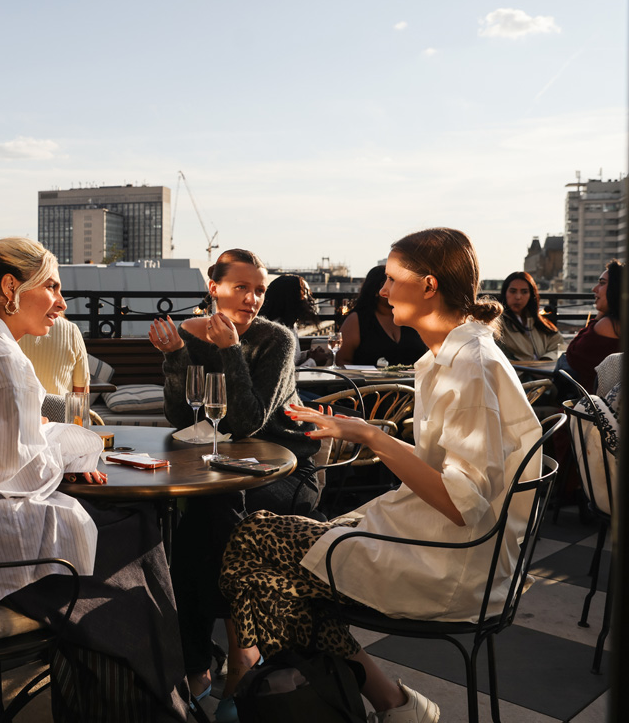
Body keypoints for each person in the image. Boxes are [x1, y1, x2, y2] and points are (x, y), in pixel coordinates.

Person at [214, 228, 542, 723]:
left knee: (255, 542)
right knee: (268, 563)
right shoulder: (452, 356)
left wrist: (373, 437)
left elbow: (461, 503)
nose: (382, 291)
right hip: (445, 545)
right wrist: (361, 431)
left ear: (429, 286)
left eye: (391, 279)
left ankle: (274, 685)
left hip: (454, 566)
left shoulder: (468, 368)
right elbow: (448, 471)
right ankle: (380, 703)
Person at [0, 236, 187, 721]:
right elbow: (19, 474)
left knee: (122, 524)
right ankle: (154, 688)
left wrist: (64, 446)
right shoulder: (1, 360)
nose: (62, 302)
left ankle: (134, 678)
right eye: (52, 287)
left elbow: (16, 438)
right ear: (11, 288)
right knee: (138, 523)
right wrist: (77, 449)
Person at [147, 249, 320, 715]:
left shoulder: (276, 339)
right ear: (214, 288)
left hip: (285, 467)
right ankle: (229, 652)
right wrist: (175, 356)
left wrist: (230, 350)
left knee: (206, 521)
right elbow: (181, 416)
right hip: (220, 468)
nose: (252, 299)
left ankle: (213, 657)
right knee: (204, 516)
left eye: (259, 289)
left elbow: (246, 421)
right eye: (241, 287)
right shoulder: (187, 333)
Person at [335, 264, 427, 367]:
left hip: (413, 377)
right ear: (377, 290)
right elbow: (341, 360)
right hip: (368, 378)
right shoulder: (357, 320)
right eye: (392, 285)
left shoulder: (412, 317)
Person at [564, 260, 622, 392]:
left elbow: (573, 355)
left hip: (595, 401)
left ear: (616, 288)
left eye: (602, 283)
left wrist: (598, 316)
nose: (594, 289)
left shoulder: (608, 326)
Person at [258, 273, 331, 366]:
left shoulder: (290, 325)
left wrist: (307, 355)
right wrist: (313, 361)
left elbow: (290, 361)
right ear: (292, 298)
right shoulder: (277, 333)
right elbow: (287, 373)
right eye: (305, 294)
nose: (310, 300)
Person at [495, 271, 566, 362]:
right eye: (513, 291)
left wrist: (546, 359)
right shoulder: (496, 323)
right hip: (516, 370)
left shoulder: (539, 322)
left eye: (524, 292)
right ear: (505, 293)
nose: (518, 297)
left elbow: (561, 346)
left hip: (543, 370)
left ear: (531, 295)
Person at [18, 313, 90, 394]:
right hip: (60, 401)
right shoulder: (71, 330)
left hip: (16, 401)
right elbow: (81, 393)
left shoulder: (9, 327)